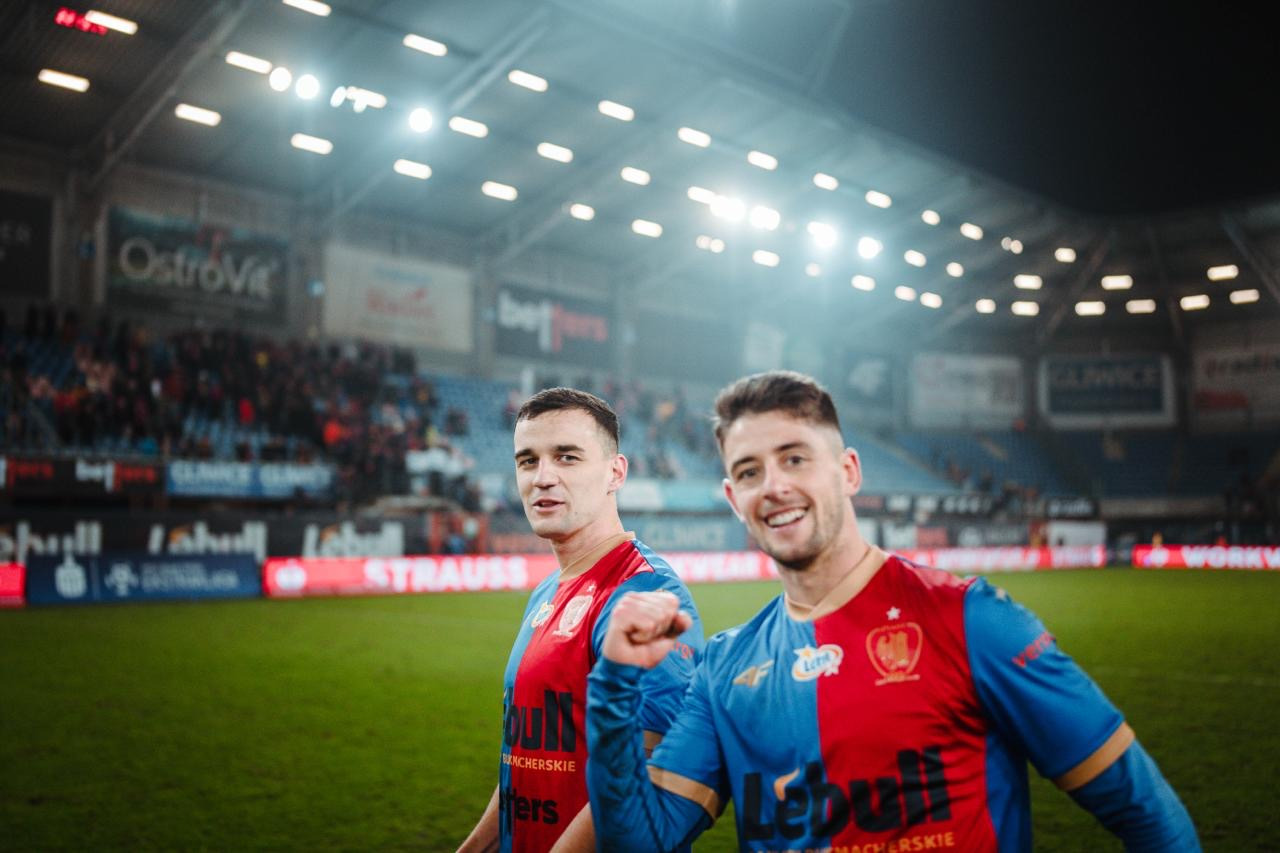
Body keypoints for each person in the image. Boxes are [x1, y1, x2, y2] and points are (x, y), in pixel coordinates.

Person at [586, 371, 1199, 852]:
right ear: (732, 498)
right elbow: (641, 841)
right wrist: (613, 683)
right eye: (749, 472)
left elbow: (1145, 812)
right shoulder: (724, 668)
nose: (773, 485)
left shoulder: (973, 621)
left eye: (795, 458)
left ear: (849, 471)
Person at [459, 388, 704, 853]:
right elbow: (524, 767)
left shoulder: (646, 592)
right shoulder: (546, 592)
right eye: (527, 461)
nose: (542, 477)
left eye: (566, 457)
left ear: (616, 472)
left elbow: (649, 781)